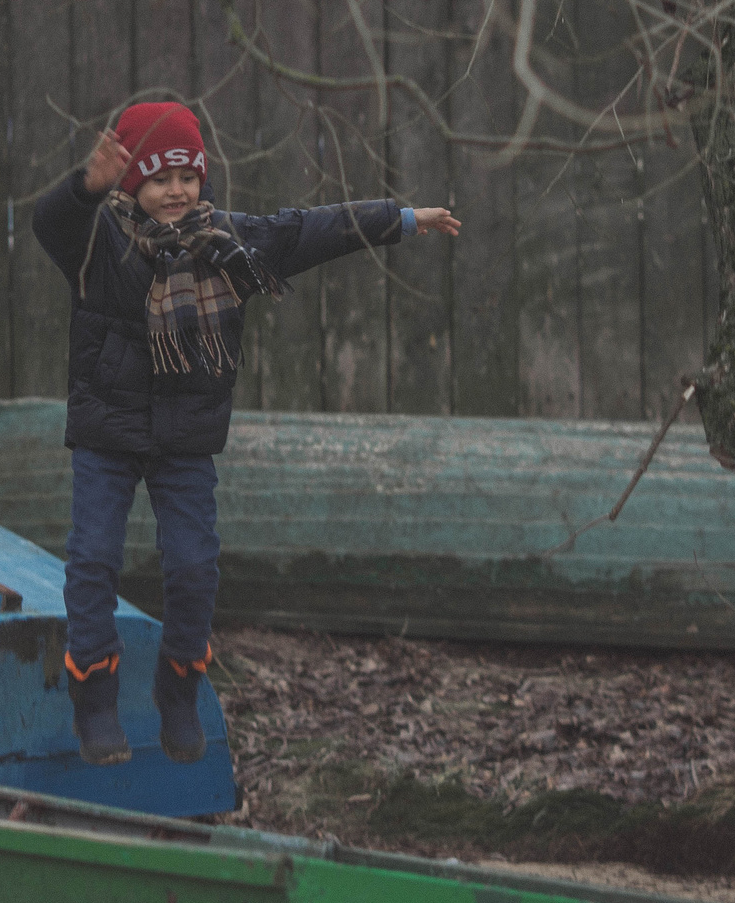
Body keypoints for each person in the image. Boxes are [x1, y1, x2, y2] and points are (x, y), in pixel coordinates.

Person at [31, 101, 460, 765]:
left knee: (195, 566)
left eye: (187, 177)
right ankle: (95, 700)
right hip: (108, 433)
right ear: (130, 183)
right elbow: (48, 220)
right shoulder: (98, 242)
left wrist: (402, 219)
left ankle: (178, 691)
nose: (175, 191)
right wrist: (84, 185)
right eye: (158, 177)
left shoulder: (229, 243)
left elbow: (314, 230)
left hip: (185, 438)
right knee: (93, 560)